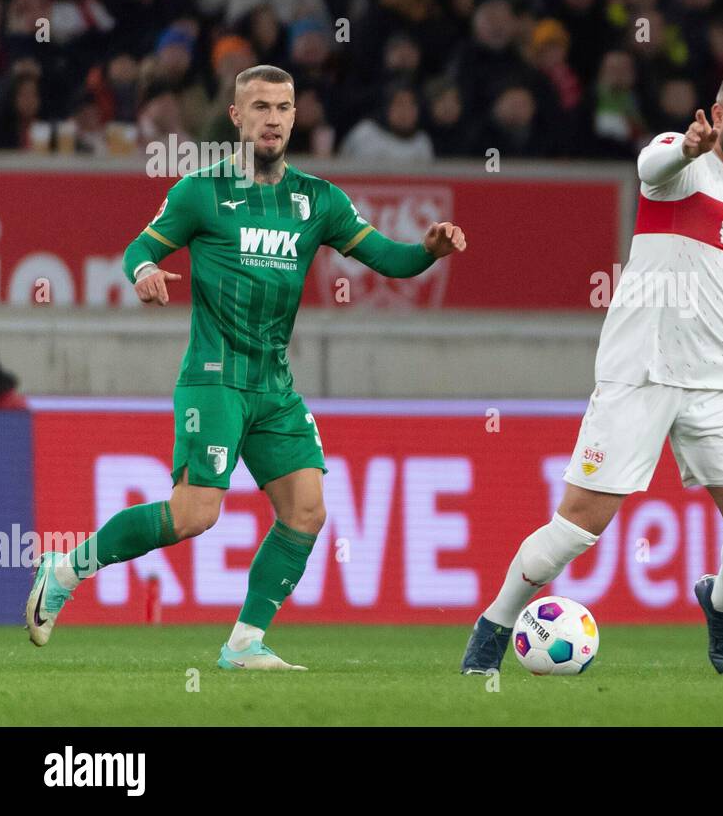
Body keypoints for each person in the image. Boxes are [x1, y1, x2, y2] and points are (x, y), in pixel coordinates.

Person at [25, 65, 467, 670]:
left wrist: (427, 252)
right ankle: (67, 568)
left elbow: (388, 259)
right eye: (260, 107)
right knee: (195, 514)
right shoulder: (200, 192)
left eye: (284, 107)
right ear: (236, 117)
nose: (274, 118)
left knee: (307, 508)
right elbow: (140, 247)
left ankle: (243, 644)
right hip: (215, 377)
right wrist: (144, 272)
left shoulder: (320, 200)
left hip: (273, 385)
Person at [460, 63, 723, 676]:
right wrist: (688, 147)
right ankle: (494, 627)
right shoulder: (681, 160)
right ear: (717, 117)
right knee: (579, 526)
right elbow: (651, 165)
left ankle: (720, 605)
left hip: (718, 379)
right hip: (642, 371)